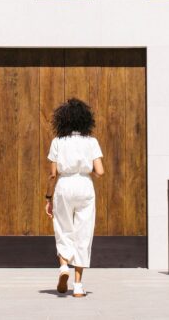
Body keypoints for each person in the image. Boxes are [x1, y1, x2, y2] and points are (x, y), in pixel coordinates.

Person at [44, 97, 104, 297]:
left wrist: (48, 198)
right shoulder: (91, 142)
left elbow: (53, 174)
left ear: (62, 120)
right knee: (83, 234)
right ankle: (78, 286)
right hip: (85, 185)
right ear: (86, 120)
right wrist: (86, 169)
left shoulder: (57, 142)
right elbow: (100, 171)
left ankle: (63, 266)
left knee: (63, 229)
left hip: (64, 185)